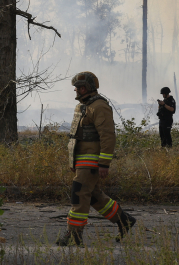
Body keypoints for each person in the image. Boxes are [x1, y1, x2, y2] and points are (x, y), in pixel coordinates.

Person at [56, 71, 136, 246]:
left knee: (79, 194)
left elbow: (108, 136)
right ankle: (124, 220)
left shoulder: (100, 107)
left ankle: (74, 234)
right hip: (81, 161)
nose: (75, 90)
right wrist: (73, 161)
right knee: (93, 196)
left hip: (91, 161)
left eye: (78, 87)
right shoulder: (82, 106)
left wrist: (104, 163)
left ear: (85, 88)